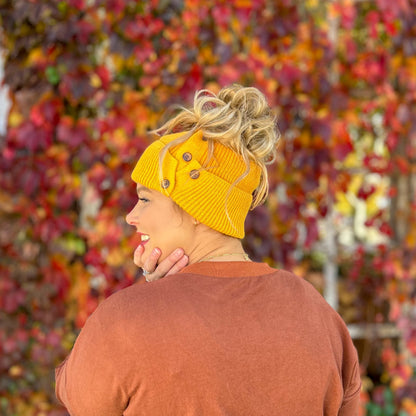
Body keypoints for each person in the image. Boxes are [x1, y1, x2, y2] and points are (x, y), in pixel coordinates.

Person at [55, 85, 361, 415]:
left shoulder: (122, 323)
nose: (132, 216)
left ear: (196, 209)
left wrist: (152, 299)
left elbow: (73, 391)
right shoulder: (317, 314)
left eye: (145, 199)